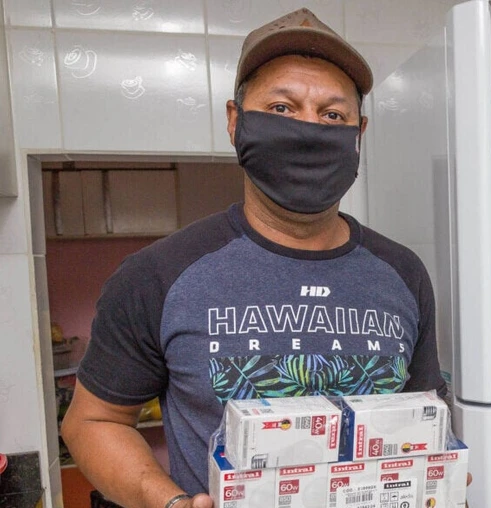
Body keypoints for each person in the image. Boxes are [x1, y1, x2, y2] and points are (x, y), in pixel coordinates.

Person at [61, 8, 448, 508]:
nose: (309, 130)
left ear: (359, 133)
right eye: (282, 108)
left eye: (333, 115)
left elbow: (425, 414)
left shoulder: (402, 273)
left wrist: (437, 472)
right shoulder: (158, 274)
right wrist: (169, 501)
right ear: (234, 121)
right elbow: (93, 421)